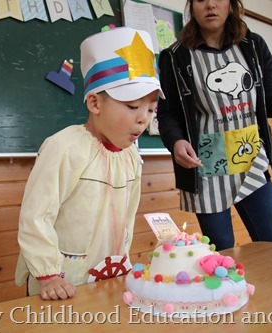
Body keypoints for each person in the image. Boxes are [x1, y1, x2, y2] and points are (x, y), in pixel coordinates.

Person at [157, 0, 272, 251]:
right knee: (221, 252)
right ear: (192, 7)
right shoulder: (175, 56)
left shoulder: (254, 46)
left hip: (252, 162)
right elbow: (167, 114)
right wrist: (176, 141)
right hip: (206, 170)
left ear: (232, 4)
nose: (210, 5)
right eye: (201, 0)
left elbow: (268, 101)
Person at [15, 27, 165, 300]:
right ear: (95, 103)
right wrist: (48, 275)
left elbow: (127, 218)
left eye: (151, 109)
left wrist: (123, 262)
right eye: (133, 106)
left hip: (109, 279)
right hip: (60, 284)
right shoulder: (64, 148)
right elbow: (36, 217)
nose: (144, 119)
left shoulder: (131, 155)